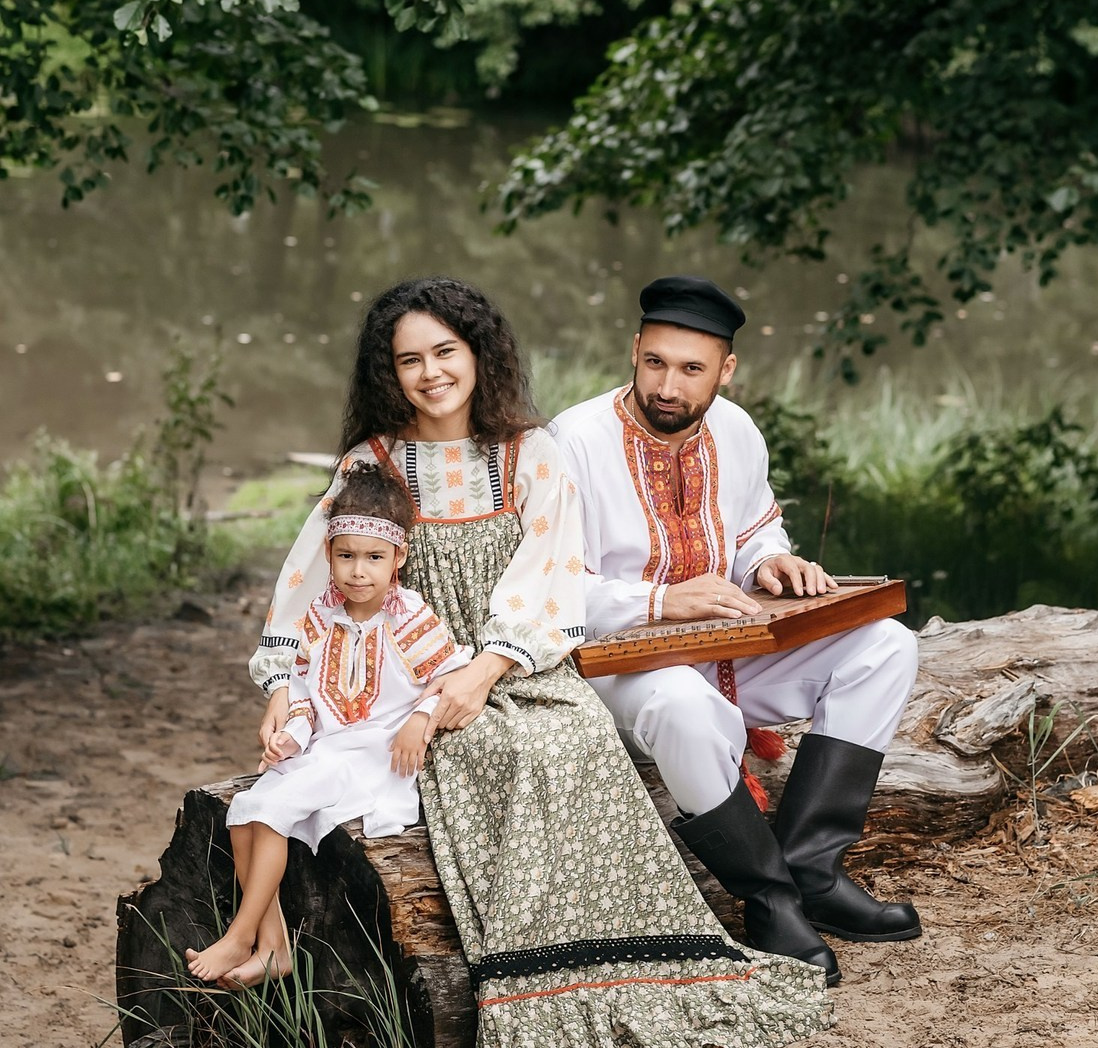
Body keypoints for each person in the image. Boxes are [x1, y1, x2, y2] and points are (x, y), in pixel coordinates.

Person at [248, 277, 831, 1047]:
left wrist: (487, 669)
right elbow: (311, 580)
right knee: (498, 750)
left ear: (477, 353)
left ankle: (626, 967)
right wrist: (283, 685)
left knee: (572, 736)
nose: (430, 373)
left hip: (521, 661)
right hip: (412, 673)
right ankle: (537, 985)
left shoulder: (529, 452)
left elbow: (552, 578)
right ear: (389, 372)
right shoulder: (374, 463)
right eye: (409, 360)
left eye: (445, 352)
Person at [552, 275, 923, 987]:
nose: (667, 386)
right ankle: (768, 899)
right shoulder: (573, 441)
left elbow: (754, 529)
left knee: (885, 646)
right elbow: (552, 588)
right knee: (683, 705)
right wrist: (662, 601)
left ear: (725, 369)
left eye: (691, 369)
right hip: (614, 663)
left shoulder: (736, 428)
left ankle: (814, 872)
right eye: (655, 362)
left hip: (731, 645)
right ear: (634, 351)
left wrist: (770, 561)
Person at [186, 461, 471, 988]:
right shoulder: (320, 615)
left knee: (271, 811)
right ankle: (273, 946)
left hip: (375, 756)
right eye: (346, 556)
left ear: (399, 557)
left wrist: (420, 719)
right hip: (326, 750)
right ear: (329, 554)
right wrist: (288, 738)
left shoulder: (409, 617)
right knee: (243, 814)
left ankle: (240, 935)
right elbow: (304, 695)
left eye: (374, 557)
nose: (358, 571)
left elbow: (453, 676)